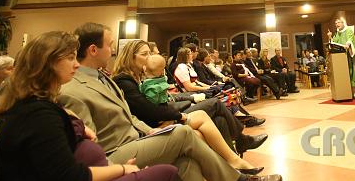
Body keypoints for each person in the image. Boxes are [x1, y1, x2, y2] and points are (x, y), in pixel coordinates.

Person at [58, 23, 281, 181]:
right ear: (93, 50)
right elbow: (90, 147)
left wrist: (150, 133)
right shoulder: (74, 90)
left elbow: (130, 116)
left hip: (138, 136)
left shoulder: (103, 77)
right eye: (109, 45)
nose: (113, 50)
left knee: (186, 162)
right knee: (183, 133)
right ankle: (237, 179)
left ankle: (236, 157)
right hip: (115, 152)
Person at [0, 31, 179, 181]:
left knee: (184, 162)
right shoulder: (39, 113)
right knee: (169, 166)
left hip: (105, 162)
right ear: (49, 62)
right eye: (71, 58)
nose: (76, 64)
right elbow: (69, 176)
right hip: (102, 166)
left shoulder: (47, 104)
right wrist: (121, 169)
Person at [111, 41, 264, 173]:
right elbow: (150, 110)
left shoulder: (139, 77)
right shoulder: (125, 80)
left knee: (219, 119)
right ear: (131, 56)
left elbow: (165, 98)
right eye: (145, 54)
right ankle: (240, 144)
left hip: (167, 114)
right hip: (159, 122)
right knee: (216, 103)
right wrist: (179, 113)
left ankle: (233, 163)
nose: (150, 58)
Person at [328, 16, 355, 98]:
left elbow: (350, 39)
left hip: (351, 55)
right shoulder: (337, 33)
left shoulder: (349, 30)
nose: (337, 24)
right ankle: (351, 92)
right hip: (343, 57)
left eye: (338, 22)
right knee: (348, 73)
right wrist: (329, 36)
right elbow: (334, 43)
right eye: (335, 23)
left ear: (343, 23)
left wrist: (347, 44)